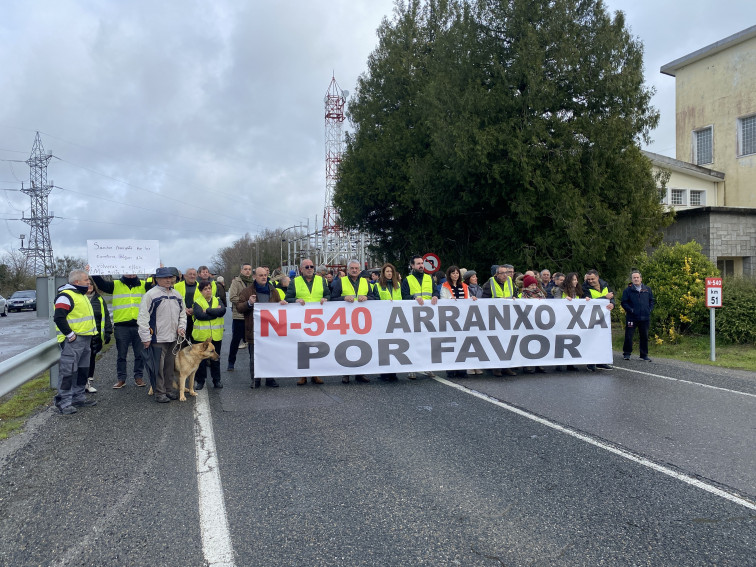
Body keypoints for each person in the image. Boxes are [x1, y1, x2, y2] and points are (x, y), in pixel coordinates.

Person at [90, 269, 147, 389]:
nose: (131, 273)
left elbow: (156, 284)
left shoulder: (143, 285)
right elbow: (101, 284)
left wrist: (158, 269)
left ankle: (138, 377)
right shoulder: (115, 285)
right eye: (128, 270)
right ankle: (121, 379)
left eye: (133, 270)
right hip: (122, 326)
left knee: (140, 354)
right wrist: (94, 270)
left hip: (139, 325)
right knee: (121, 355)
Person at [137, 267, 187, 403]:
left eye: (170, 277)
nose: (168, 280)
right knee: (158, 367)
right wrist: (145, 337)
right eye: (165, 278)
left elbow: (182, 314)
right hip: (157, 338)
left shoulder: (177, 295)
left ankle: (169, 390)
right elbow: (143, 318)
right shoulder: (150, 295)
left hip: (174, 338)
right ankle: (160, 393)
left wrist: (181, 327)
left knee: (169, 366)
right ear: (157, 279)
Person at [53, 269, 99, 415]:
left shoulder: (81, 295)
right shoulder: (66, 296)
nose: (89, 282)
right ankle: (64, 403)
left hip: (85, 339)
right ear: (77, 282)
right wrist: (70, 334)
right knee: (68, 372)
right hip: (73, 341)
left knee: (82, 371)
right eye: (86, 280)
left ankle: (78, 398)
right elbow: (59, 317)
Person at [237, 266, 286, 388]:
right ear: (254, 277)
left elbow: (278, 307)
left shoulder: (273, 291)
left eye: (265, 275)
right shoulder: (247, 291)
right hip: (254, 330)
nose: (264, 277)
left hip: (270, 330)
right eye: (261, 275)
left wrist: (282, 304)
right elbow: (239, 307)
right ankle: (255, 380)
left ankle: (270, 379)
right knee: (254, 357)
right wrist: (248, 303)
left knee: (271, 355)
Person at [285, 258, 330, 385]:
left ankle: (316, 374)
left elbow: (328, 295)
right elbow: (288, 297)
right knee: (303, 346)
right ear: (301, 269)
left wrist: (325, 299)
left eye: (311, 266)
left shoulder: (322, 280)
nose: (310, 269)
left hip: (319, 318)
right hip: (301, 318)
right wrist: (295, 300)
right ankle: (303, 375)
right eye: (307, 267)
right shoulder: (295, 282)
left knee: (317, 345)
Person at [330, 259, 374, 384]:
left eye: (356, 268)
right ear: (348, 270)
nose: (354, 270)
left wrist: (366, 298)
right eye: (352, 268)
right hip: (345, 320)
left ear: (359, 270)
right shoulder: (341, 282)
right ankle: (346, 373)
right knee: (346, 345)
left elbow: (373, 297)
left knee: (361, 345)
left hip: (361, 321)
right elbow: (333, 298)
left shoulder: (366, 282)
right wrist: (343, 298)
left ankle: (360, 372)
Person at [401, 255, 439, 379]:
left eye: (422, 263)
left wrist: (435, 296)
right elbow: (404, 296)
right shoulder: (408, 279)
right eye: (418, 264)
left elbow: (435, 291)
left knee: (427, 342)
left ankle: (427, 367)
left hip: (428, 316)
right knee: (413, 342)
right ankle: (412, 368)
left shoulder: (429, 278)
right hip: (413, 315)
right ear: (412, 266)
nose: (421, 265)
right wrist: (414, 298)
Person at [483, 264, 517, 377]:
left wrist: (514, 299)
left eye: (507, 273)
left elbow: (515, 295)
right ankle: (496, 368)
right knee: (496, 343)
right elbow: (484, 300)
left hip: (508, 317)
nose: (505, 275)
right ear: (497, 274)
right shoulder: (490, 284)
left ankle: (507, 367)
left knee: (508, 343)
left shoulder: (510, 283)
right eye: (502, 273)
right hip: (495, 317)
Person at [192, 280, 227, 390]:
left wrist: (207, 310)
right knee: (200, 360)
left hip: (216, 335)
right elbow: (199, 315)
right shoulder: (197, 302)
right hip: (202, 336)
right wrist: (214, 313)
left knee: (215, 359)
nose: (208, 290)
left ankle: (216, 380)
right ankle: (200, 381)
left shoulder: (217, 300)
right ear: (201, 291)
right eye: (205, 289)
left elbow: (222, 311)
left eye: (209, 288)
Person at [373, 262, 402, 382]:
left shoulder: (398, 285)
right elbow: (374, 301)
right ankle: (384, 372)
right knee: (384, 346)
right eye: (387, 272)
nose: (389, 273)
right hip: (383, 319)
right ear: (383, 273)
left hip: (396, 319)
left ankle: (393, 371)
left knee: (395, 345)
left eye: (391, 271)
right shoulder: (377, 286)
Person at [583, 269, 615, 370]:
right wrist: (604, 297)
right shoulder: (585, 287)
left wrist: (612, 303)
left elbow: (611, 297)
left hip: (603, 317)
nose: (590, 281)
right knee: (591, 339)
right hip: (591, 317)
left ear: (597, 277)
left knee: (603, 339)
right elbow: (588, 302)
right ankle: (591, 363)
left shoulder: (605, 284)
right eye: (588, 279)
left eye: (592, 279)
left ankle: (601, 361)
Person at [85, 277, 112, 393]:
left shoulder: (99, 299)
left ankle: (88, 383)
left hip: (95, 336)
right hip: (82, 335)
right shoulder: (78, 298)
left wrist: (108, 332)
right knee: (81, 361)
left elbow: (105, 316)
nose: (90, 286)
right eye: (87, 283)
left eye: (91, 284)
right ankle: (79, 384)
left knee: (91, 360)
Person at [621, 270, 655, 362]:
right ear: (631, 279)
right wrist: (631, 310)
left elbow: (652, 300)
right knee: (629, 335)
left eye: (637, 277)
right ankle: (627, 353)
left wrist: (649, 309)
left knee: (644, 336)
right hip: (632, 317)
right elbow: (624, 302)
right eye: (634, 278)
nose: (636, 279)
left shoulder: (647, 289)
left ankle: (644, 355)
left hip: (645, 317)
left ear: (641, 278)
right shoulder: (628, 290)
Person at [227, 264, 253, 371]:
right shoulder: (236, 282)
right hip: (239, 316)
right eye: (245, 269)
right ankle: (231, 362)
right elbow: (232, 297)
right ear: (241, 270)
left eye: (249, 269)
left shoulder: (253, 282)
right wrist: (246, 302)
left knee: (252, 341)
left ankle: (254, 364)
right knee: (236, 340)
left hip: (251, 316)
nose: (247, 271)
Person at [174, 267, 200, 339]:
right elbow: (173, 301)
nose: (192, 276)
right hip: (181, 318)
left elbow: (204, 302)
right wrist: (183, 309)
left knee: (195, 344)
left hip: (196, 318)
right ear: (185, 276)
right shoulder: (176, 286)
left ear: (196, 276)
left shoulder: (201, 287)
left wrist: (194, 310)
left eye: (194, 274)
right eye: (190, 274)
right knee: (182, 343)